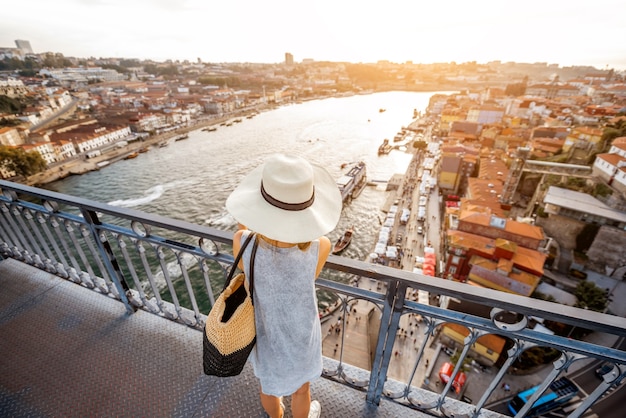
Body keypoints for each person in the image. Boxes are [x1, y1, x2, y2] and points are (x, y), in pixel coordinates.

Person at [226, 154, 342, 418]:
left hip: (266, 333)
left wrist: (248, 221)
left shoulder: (242, 241)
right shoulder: (320, 247)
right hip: (302, 335)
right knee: (302, 389)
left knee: (269, 387)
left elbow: (245, 250)